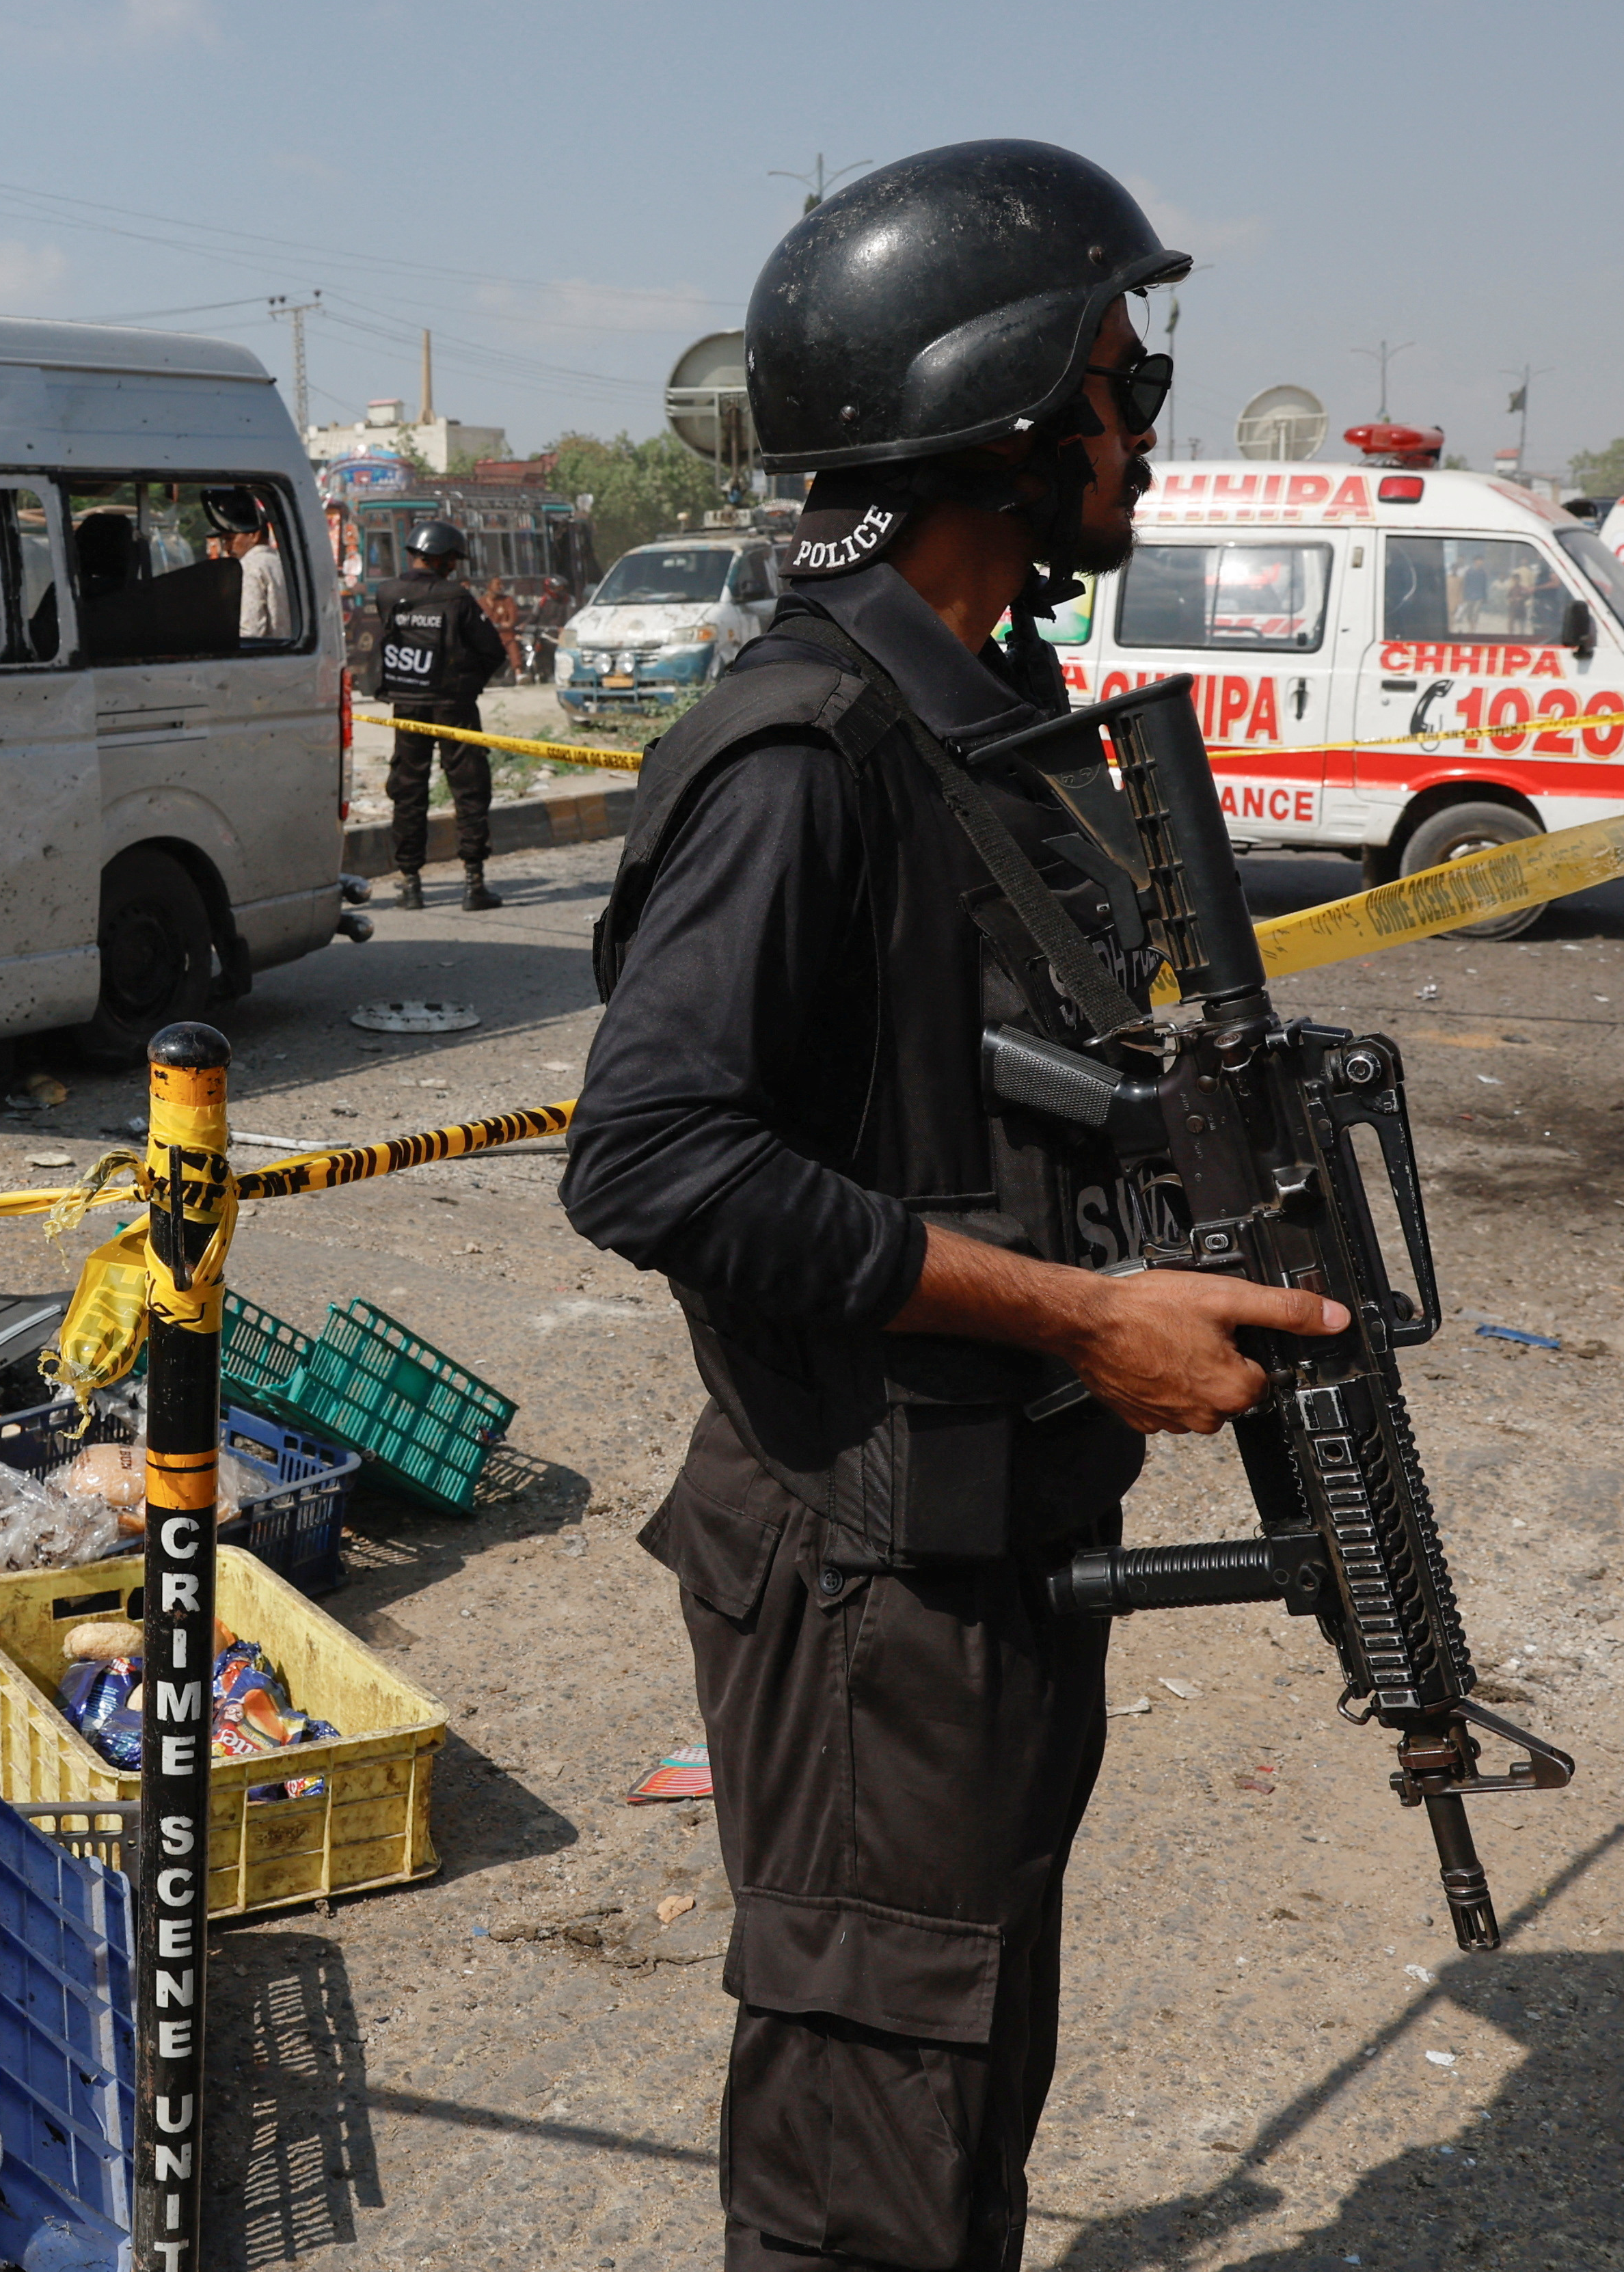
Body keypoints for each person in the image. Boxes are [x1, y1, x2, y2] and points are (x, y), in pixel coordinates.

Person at [562, 139, 1346, 2272]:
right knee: (867, 2164)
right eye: (1125, 381)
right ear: (1004, 423)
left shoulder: (982, 730)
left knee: (962, 2094)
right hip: (865, 1574)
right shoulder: (803, 749)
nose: (1145, 426)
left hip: (988, 1545)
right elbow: (647, 1157)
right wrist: (1085, 1323)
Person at [374, 518, 509, 909]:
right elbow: (493, 652)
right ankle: (473, 884)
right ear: (443, 558)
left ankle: (411, 884)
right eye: (453, 559)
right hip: (455, 708)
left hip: (407, 706)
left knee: (408, 789)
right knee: (469, 789)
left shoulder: (387, 593)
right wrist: (467, 684)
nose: (455, 566)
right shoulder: (458, 598)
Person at [232, 506, 293, 644]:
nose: (228, 548)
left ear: (254, 536)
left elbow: (251, 631)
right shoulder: (281, 563)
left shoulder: (249, 566)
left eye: (231, 539)